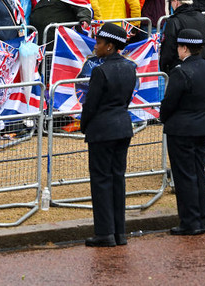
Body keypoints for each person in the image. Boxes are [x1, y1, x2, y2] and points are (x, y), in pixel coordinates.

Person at [80, 23, 136, 247]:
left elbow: (90, 105)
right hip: (122, 125)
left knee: (101, 182)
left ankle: (105, 233)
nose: (96, 46)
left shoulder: (100, 71)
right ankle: (119, 232)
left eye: (99, 43)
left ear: (110, 46)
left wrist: (85, 126)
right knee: (117, 179)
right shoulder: (130, 67)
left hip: (102, 129)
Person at [159, 28, 205, 235]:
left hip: (182, 129)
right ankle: (200, 218)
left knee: (185, 177)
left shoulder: (180, 71)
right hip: (203, 126)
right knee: (199, 173)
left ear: (184, 48)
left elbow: (169, 103)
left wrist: (163, 117)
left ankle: (190, 222)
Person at [158, 0, 205, 74]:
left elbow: (168, 51)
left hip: (181, 72)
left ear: (176, 2)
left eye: (171, 1)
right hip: (202, 68)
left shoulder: (174, 21)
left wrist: (165, 68)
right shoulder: (203, 18)